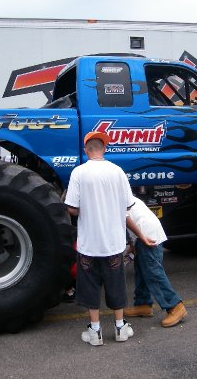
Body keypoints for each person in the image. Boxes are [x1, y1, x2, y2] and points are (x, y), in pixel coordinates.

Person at [65, 131, 136, 346]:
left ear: (86, 150)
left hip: (89, 244)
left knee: (90, 286)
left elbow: (72, 209)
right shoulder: (118, 172)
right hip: (113, 243)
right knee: (116, 284)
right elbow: (128, 206)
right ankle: (120, 327)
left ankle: (95, 332)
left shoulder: (79, 172)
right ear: (104, 149)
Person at [125, 196, 188, 327]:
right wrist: (132, 244)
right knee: (142, 270)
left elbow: (126, 219)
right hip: (142, 233)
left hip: (146, 234)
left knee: (152, 272)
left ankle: (175, 306)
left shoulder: (113, 196)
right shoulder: (116, 192)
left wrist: (140, 238)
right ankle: (143, 304)